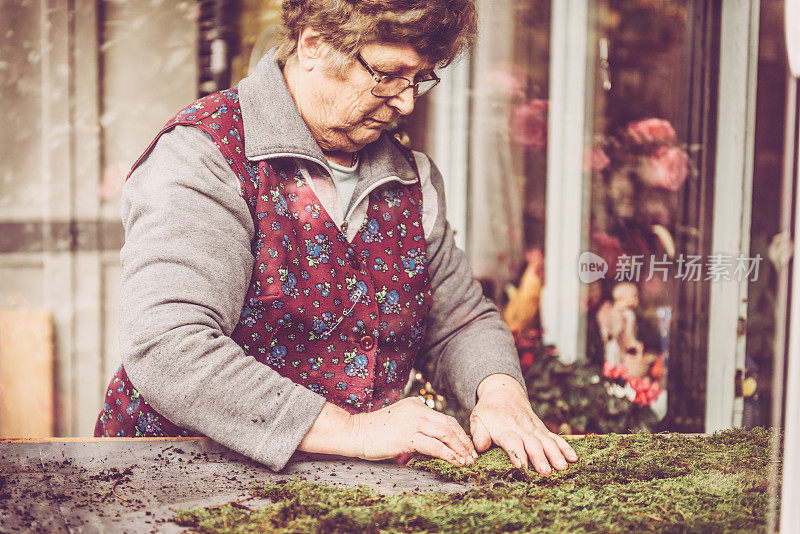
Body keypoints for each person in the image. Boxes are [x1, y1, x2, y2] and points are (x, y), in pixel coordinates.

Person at [94, 0, 578, 475]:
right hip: (174, 479)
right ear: (315, 46)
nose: (407, 102)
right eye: (388, 75)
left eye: (419, 79)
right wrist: (355, 431)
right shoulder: (205, 156)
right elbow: (169, 347)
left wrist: (499, 394)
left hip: (344, 492)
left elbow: (460, 321)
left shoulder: (412, 178)